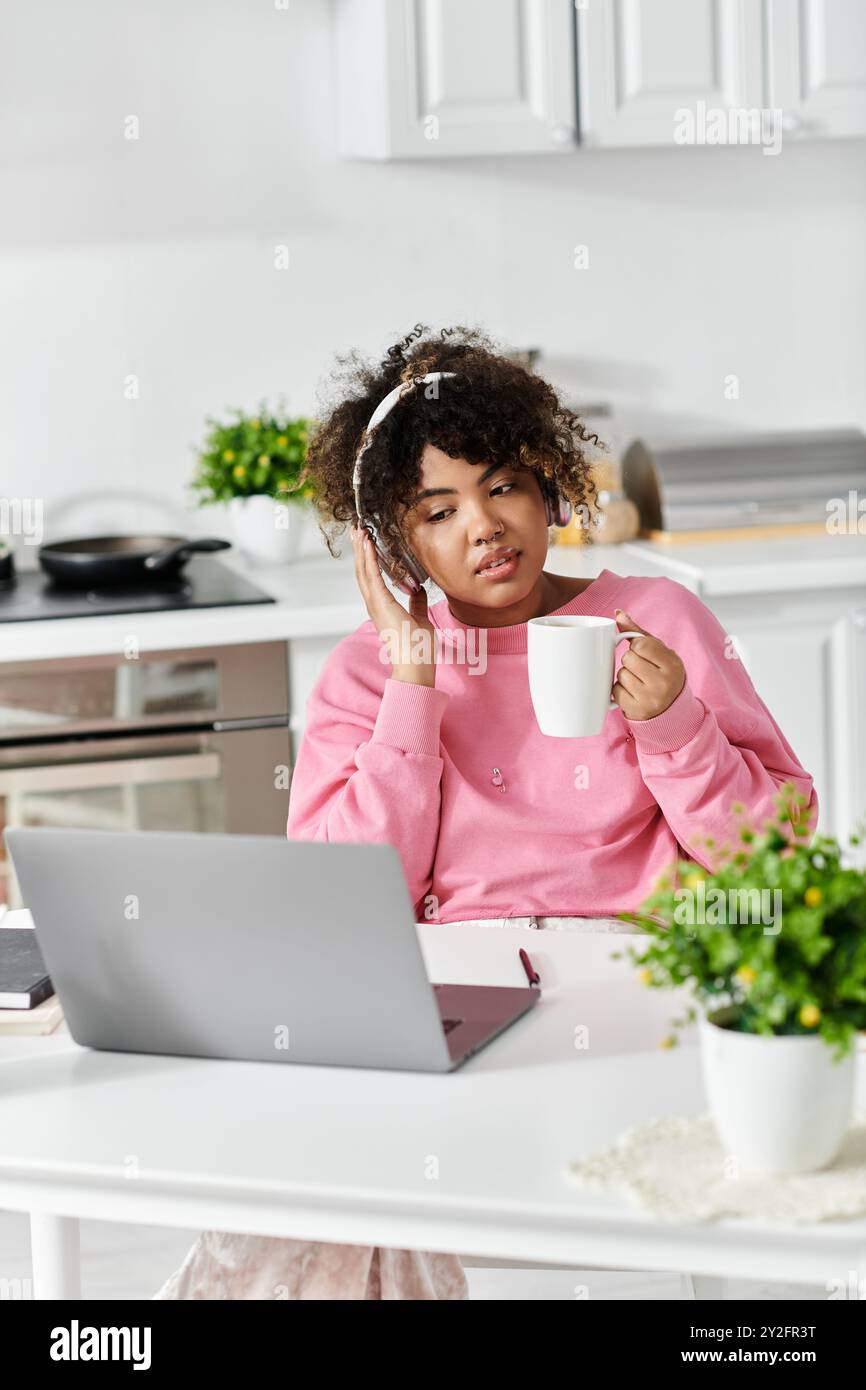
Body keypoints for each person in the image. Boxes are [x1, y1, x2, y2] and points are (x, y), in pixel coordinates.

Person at [154, 324, 817, 1299]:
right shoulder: (364, 676)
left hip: (643, 997)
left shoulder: (660, 624)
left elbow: (772, 865)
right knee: (309, 1203)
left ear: (546, 482)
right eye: (436, 508)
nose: (482, 525)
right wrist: (411, 686)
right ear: (392, 538)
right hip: (449, 1013)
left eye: (501, 484)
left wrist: (674, 725)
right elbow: (345, 903)